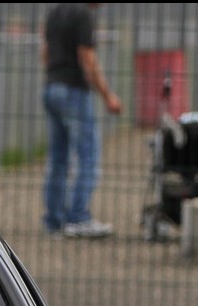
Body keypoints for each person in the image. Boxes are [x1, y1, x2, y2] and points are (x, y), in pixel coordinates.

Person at [41, 3, 123, 239]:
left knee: (58, 159)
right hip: (73, 90)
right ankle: (79, 217)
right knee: (88, 156)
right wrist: (108, 96)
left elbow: (45, 53)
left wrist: (55, 78)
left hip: (52, 87)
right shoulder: (83, 14)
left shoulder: (55, 12)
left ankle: (54, 220)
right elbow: (87, 58)